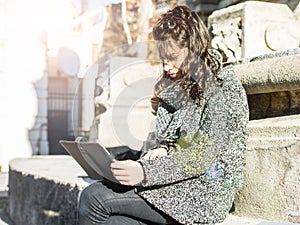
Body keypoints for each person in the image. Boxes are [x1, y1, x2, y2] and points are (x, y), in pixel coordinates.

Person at [78, 5, 249, 225]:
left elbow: (202, 155)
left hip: (205, 191)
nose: (167, 67)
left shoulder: (223, 88)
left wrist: (144, 172)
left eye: (173, 57)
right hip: (175, 182)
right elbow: (178, 141)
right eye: (163, 58)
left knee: (94, 198)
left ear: (194, 49)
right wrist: (162, 149)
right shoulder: (178, 86)